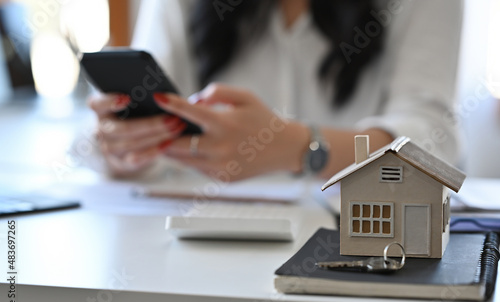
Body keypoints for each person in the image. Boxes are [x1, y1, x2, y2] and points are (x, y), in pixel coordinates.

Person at [89, 0, 463, 182]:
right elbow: (142, 126)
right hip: (193, 245)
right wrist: (124, 149)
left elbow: (433, 145)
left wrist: (304, 146)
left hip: (348, 256)